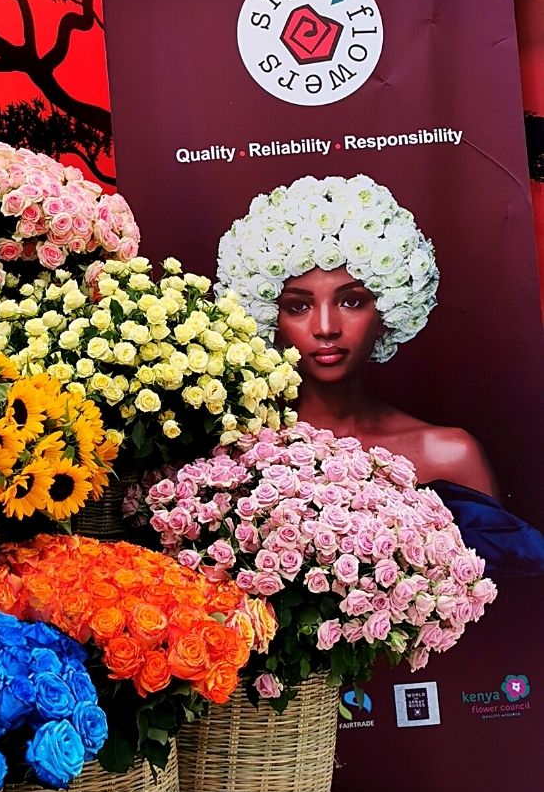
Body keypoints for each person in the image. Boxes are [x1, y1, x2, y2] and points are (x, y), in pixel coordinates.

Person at [216, 173, 543, 576]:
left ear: (387, 310)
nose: (325, 327)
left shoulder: (449, 455)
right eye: (299, 306)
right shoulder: (237, 454)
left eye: (351, 301)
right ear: (270, 319)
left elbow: (497, 609)